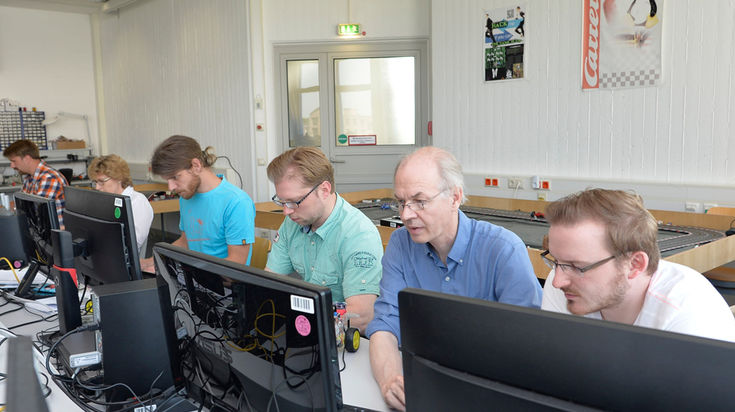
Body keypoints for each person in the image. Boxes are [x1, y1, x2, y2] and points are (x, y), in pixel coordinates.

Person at [366, 147, 542, 411]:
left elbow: (525, 346)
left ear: (455, 197)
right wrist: (390, 380)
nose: (405, 215)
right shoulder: (401, 245)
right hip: (426, 385)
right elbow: (385, 324)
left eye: (420, 201)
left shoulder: (504, 250)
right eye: (401, 202)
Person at [541, 188, 735, 342]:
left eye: (577, 266)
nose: (557, 281)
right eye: (556, 261)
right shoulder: (563, 285)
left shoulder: (690, 314)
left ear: (635, 264)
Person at [265, 147, 382, 333]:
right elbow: (269, 282)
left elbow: (361, 316)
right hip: (308, 326)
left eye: (294, 202)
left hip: (344, 339)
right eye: (281, 202)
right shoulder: (292, 223)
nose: (286, 211)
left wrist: (301, 321)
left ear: (324, 190)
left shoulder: (358, 234)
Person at [140, 135, 255, 272]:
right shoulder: (187, 196)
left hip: (224, 288)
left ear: (196, 165)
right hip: (195, 280)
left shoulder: (236, 202)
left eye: (175, 177)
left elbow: (236, 265)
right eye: (167, 180)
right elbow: (186, 242)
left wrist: (184, 272)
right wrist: (151, 261)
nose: (171, 187)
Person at [87, 154, 154, 254]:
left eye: (101, 182)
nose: (97, 187)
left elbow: (132, 243)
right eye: (95, 182)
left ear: (119, 178)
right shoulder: (106, 200)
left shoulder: (137, 202)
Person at [3, 139, 67, 227]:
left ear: (27, 159)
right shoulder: (29, 178)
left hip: (51, 235)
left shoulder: (48, 178)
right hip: (37, 231)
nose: (12, 166)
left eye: (14, 161)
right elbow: (20, 204)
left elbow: (36, 213)